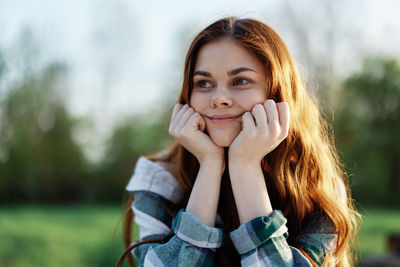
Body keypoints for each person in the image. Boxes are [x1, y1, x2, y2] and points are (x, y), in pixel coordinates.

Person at [117, 16, 360, 267]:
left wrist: (245, 166)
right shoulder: (159, 179)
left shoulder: (315, 185)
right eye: (203, 83)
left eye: (240, 81)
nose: (219, 98)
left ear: (276, 94)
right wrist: (210, 164)